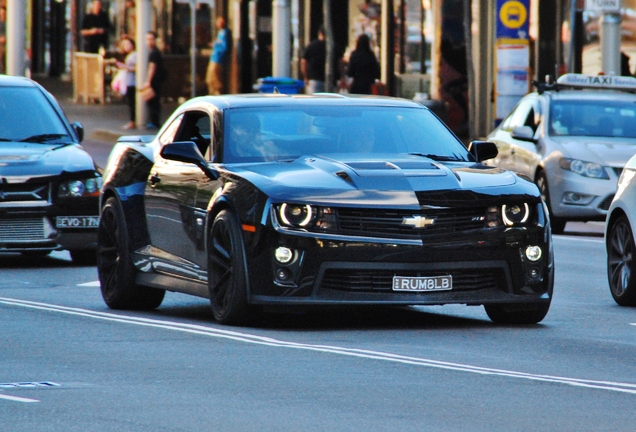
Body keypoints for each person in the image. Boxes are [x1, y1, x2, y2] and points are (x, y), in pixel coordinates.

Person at [141, 31, 167, 130]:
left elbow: (152, 67)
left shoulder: (154, 53)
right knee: (153, 101)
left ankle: (154, 122)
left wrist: (148, 81)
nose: (149, 42)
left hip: (155, 80)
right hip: (156, 80)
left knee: (153, 102)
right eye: (147, 39)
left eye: (151, 39)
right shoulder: (154, 52)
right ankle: (154, 121)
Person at [206, 17, 231, 95]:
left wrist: (218, 50)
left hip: (218, 59)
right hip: (214, 58)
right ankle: (212, 94)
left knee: (215, 80)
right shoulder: (221, 33)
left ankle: (217, 95)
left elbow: (225, 47)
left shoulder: (225, 33)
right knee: (209, 79)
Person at [116, 37, 137, 130]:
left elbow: (137, 68)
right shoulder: (129, 55)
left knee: (132, 102)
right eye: (124, 45)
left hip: (133, 81)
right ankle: (133, 120)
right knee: (130, 102)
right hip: (129, 81)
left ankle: (133, 121)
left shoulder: (135, 55)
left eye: (128, 44)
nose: (126, 47)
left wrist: (125, 67)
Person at [301, 27, 326, 94]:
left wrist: (305, 77)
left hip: (313, 79)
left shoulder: (311, 45)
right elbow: (340, 62)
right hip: (329, 80)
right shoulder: (331, 46)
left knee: (314, 100)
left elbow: (304, 61)